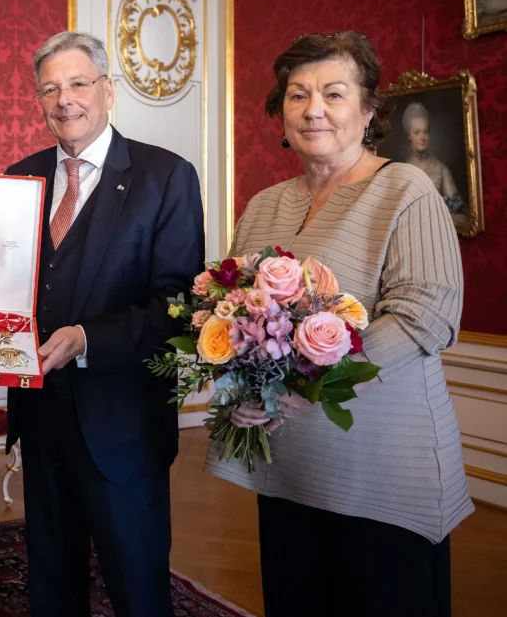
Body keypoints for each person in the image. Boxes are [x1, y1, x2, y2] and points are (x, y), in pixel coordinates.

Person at [207, 31, 473, 617]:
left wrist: (309, 385)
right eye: (297, 95)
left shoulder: (406, 188)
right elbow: (235, 314)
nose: (314, 109)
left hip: (384, 474)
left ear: (369, 109)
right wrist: (246, 392)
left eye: (333, 92)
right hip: (290, 471)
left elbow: (424, 315)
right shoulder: (264, 204)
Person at [0, 31, 205, 617]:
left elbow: (179, 306)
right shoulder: (21, 179)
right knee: (50, 578)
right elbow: (18, 292)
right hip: (42, 416)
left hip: (123, 424)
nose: (64, 99)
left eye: (77, 83)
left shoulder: (165, 176)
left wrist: (88, 339)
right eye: (49, 88)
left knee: (136, 584)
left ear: (108, 90)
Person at [401, 101, 470, 232]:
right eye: (417, 132)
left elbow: (460, 214)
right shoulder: (403, 171)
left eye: (425, 132)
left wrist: (434, 215)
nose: (422, 137)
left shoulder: (440, 168)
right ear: (409, 135)